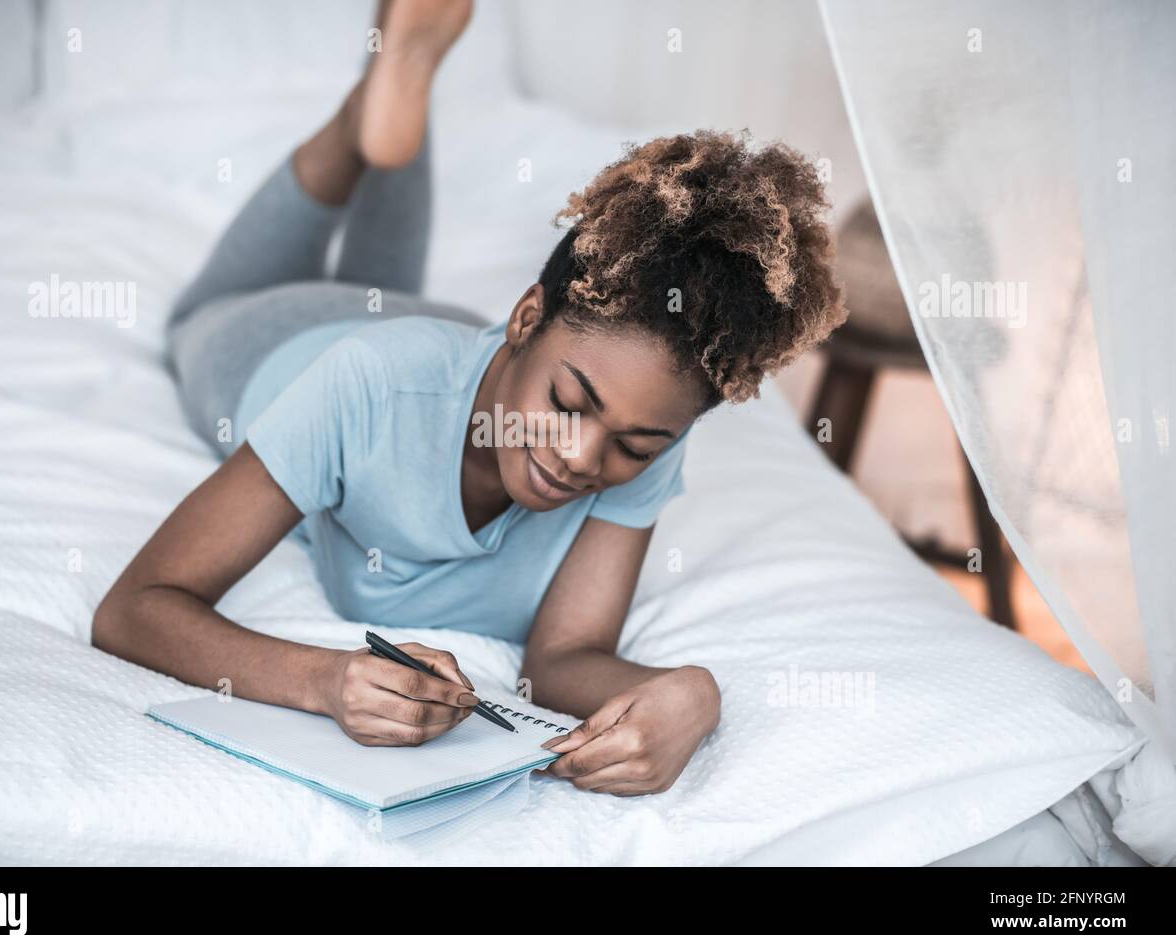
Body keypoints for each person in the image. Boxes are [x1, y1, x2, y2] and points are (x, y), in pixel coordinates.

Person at [93, 0, 847, 796]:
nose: (583, 457)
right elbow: (134, 608)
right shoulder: (366, 386)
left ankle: (389, 103)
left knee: (385, 290)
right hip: (281, 340)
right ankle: (364, 118)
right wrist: (323, 681)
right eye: (569, 402)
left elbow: (562, 660)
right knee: (218, 308)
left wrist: (693, 694)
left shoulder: (643, 421)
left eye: (633, 446)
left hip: (428, 339)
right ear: (526, 317)